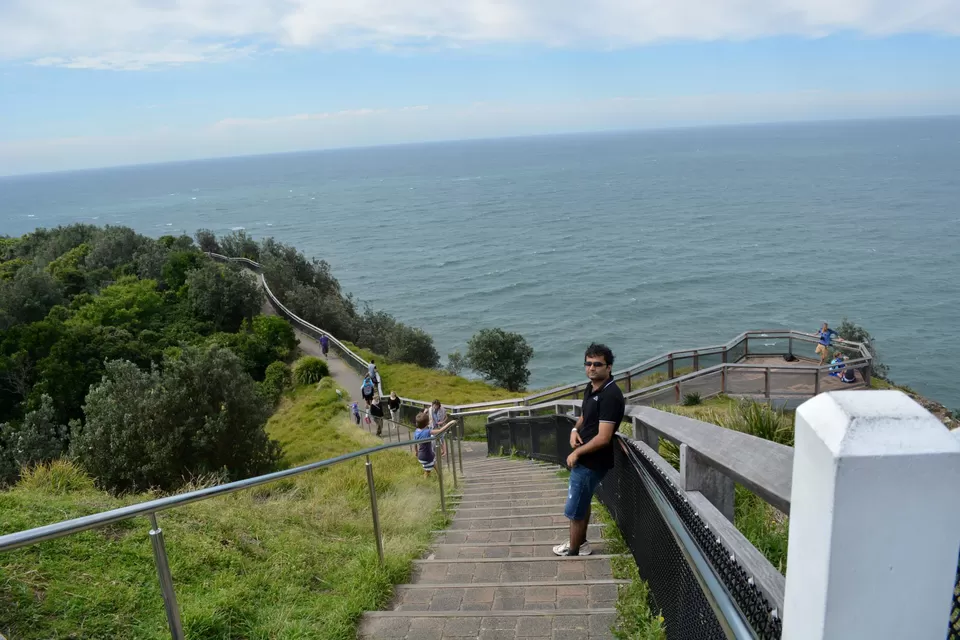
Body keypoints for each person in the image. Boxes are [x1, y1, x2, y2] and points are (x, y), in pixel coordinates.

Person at [554, 343, 625, 557]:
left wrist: (577, 452)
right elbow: (586, 415)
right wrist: (575, 429)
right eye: (588, 363)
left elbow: (604, 438)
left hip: (593, 460)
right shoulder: (591, 387)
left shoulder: (610, 395)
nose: (592, 368)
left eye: (597, 364)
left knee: (575, 507)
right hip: (587, 457)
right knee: (582, 500)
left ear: (609, 367)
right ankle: (582, 543)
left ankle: (573, 549)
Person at [413, 411, 444, 476]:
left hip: (421, 455)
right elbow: (440, 431)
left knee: (434, 462)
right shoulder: (427, 432)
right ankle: (425, 483)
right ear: (427, 424)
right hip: (427, 456)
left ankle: (440, 475)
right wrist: (449, 424)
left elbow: (415, 443)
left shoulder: (416, 431)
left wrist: (416, 451)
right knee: (427, 471)